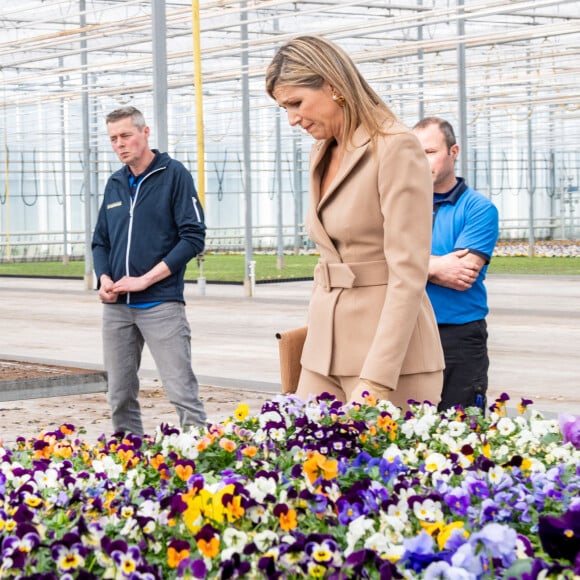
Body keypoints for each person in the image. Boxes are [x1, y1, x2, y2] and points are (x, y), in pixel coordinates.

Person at [265, 36, 444, 408]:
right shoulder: (322, 150)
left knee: (382, 465)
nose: (292, 119)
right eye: (284, 108)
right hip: (322, 351)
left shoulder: (395, 147)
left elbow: (408, 272)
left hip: (390, 358)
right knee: (300, 460)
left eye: (296, 103)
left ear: (332, 85)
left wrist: (377, 379)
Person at [92, 106, 207, 436]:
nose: (119, 144)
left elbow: (193, 237)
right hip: (117, 308)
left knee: (181, 391)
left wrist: (146, 280)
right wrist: (104, 279)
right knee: (119, 394)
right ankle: (129, 460)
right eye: (113, 139)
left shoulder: (173, 175)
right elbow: (100, 241)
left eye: (126, 135)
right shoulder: (115, 183)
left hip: (161, 304)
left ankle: (200, 462)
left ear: (145, 133)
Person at [412, 117, 499, 411]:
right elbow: (375, 260)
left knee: (460, 427)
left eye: (430, 152)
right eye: (415, 153)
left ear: (453, 151)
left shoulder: (478, 209)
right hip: (407, 330)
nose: (422, 161)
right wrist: (435, 266)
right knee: (405, 428)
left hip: (458, 335)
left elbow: (462, 273)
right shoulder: (397, 206)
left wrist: (407, 264)